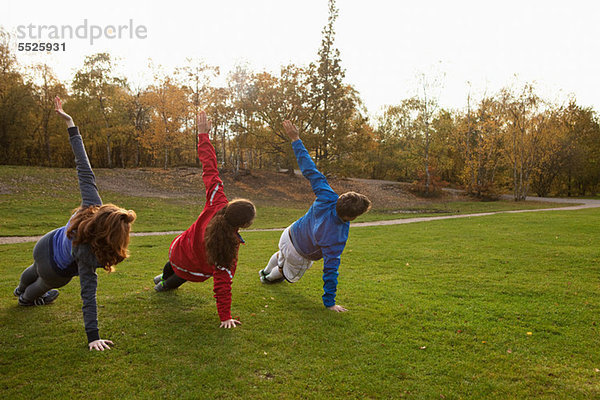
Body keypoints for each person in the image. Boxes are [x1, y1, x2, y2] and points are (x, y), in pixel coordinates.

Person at [14, 96, 137, 351]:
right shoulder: (89, 253)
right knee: (41, 285)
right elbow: (88, 295)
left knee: (33, 268)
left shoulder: (92, 203)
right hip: (55, 272)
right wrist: (93, 336)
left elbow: (84, 166)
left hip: (44, 244)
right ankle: (25, 298)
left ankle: (19, 288)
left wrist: (71, 125)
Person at [153, 111, 255, 329]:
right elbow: (223, 283)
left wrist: (203, 135)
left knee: (172, 264)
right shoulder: (229, 246)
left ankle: (161, 278)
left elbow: (210, 168)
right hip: (190, 268)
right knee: (175, 278)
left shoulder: (217, 200)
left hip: (178, 250)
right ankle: (162, 284)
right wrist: (225, 316)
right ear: (242, 225)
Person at [259, 121, 371, 312]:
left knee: (281, 254)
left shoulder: (328, 195)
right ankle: (266, 278)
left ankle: (264, 270)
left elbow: (309, 169)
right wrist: (330, 303)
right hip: (299, 253)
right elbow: (331, 270)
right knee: (283, 272)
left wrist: (296, 138)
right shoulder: (337, 236)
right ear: (351, 217)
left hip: (288, 234)